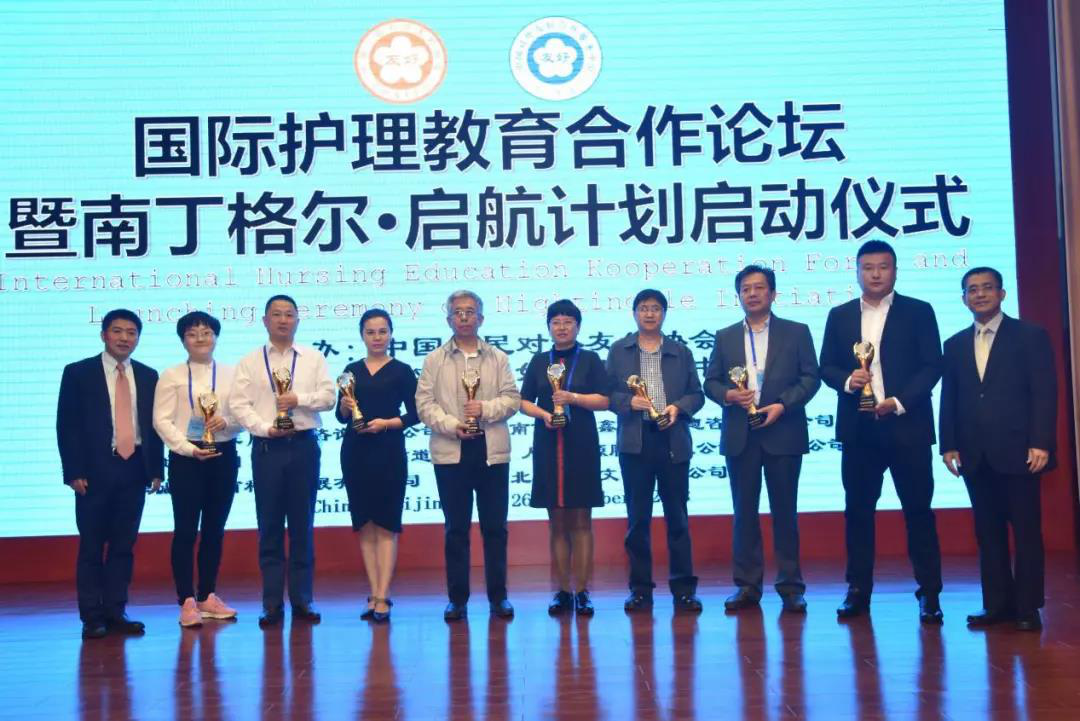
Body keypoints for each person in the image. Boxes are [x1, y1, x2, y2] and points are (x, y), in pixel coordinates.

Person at [819, 239, 944, 624]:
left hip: (908, 427)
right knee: (858, 513)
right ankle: (858, 591)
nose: (875, 274)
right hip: (859, 432)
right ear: (857, 271)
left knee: (918, 512)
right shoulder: (840, 315)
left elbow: (932, 366)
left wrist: (899, 401)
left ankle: (929, 593)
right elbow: (826, 366)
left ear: (895, 271)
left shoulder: (919, 311)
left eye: (883, 267)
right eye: (868, 267)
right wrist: (848, 381)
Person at [940, 267, 1057, 631]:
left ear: (1002, 294)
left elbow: (1044, 392)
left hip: (1021, 452)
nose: (980, 294)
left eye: (987, 288)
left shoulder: (1030, 336)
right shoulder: (955, 344)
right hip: (974, 454)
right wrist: (948, 444)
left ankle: (1028, 607)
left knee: (1025, 532)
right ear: (963, 299)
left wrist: (1041, 442)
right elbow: (949, 397)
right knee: (988, 534)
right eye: (972, 290)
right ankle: (997, 605)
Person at [704, 265, 821, 614]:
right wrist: (728, 396)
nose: (752, 294)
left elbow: (810, 378)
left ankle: (791, 587)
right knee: (744, 513)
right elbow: (710, 382)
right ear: (738, 295)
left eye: (759, 287)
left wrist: (782, 405)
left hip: (783, 432)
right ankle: (747, 586)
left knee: (785, 512)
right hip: (740, 435)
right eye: (745, 289)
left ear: (773, 293)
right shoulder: (725, 336)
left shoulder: (796, 332)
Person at [56, 309, 164, 639]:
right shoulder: (78, 372)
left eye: (131, 332)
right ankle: (92, 617)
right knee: (91, 546)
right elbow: (67, 425)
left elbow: (154, 427)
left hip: (134, 470)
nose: (124, 338)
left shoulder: (148, 375)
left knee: (123, 546)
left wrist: (156, 469)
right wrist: (74, 471)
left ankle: (116, 611)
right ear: (104, 335)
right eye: (117, 331)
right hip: (94, 471)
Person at [229, 295, 335, 628]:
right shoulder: (250, 361)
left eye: (289, 314)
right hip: (267, 449)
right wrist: (264, 428)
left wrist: (298, 398)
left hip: (303, 447)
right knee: (270, 526)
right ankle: (271, 603)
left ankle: (303, 600)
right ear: (265, 320)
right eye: (276, 314)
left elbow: (329, 398)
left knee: (303, 526)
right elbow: (238, 405)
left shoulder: (313, 358)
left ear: (298, 321)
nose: (283, 320)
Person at [415, 290, 522, 621]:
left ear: (481, 318)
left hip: (491, 452)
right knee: (456, 529)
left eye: (470, 311)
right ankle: (457, 599)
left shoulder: (497, 358)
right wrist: (453, 425)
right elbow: (424, 404)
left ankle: (498, 597)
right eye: (458, 312)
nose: (464, 317)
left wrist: (485, 409)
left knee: (495, 528)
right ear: (448, 319)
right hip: (451, 451)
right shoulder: (434, 360)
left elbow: (512, 399)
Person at [606, 289, 705, 613]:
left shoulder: (680, 351)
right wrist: (627, 402)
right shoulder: (619, 350)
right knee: (638, 520)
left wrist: (679, 407)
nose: (649, 314)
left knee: (678, 518)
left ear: (664, 313)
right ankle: (640, 590)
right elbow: (607, 394)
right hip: (635, 442)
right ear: (634, 313)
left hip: (673, 440)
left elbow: (697, 394)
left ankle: (684, 590)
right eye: (644, 308)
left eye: (656, 308)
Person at [519, 300, 612, 616]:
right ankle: (562, 591)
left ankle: (582, 592)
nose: (562, 327)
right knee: (556, 521)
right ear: (548, 327)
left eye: (568, 322)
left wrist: (572, 397)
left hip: (581, 443)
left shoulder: (590, 359)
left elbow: (605, 400)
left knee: (582, 520)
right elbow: (522, 402)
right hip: (548, 442)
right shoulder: (538, 361)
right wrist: (544, 414)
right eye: (556, 322)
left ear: (578, 326)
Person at [152, 311, 242, 628]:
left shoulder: (232, 373)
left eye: (206, 332)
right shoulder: (171, 375)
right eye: (192, 334)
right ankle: (186, 600)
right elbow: (161, 420)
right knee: (186, 530)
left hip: (223, 455)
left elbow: (244, 414)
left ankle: (206, 595)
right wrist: (189, 448)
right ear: (183, 340)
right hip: (186, 458)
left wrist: (227, 422)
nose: (200, 338)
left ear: (216, 337)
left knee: (215, 530)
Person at [336, 309, 419, 623]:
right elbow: (340, 417)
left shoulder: (402, 370)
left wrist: (387, 423)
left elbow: (416, 414)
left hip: (389, 451)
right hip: (355, 452)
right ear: (362, 335)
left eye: (382, 331)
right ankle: (373, 592)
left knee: (386, 524)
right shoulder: (351, 370)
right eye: (370, 332)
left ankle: (383, 595)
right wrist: (345, 407)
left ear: (391, 334)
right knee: (365, 524)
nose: (377, 337)